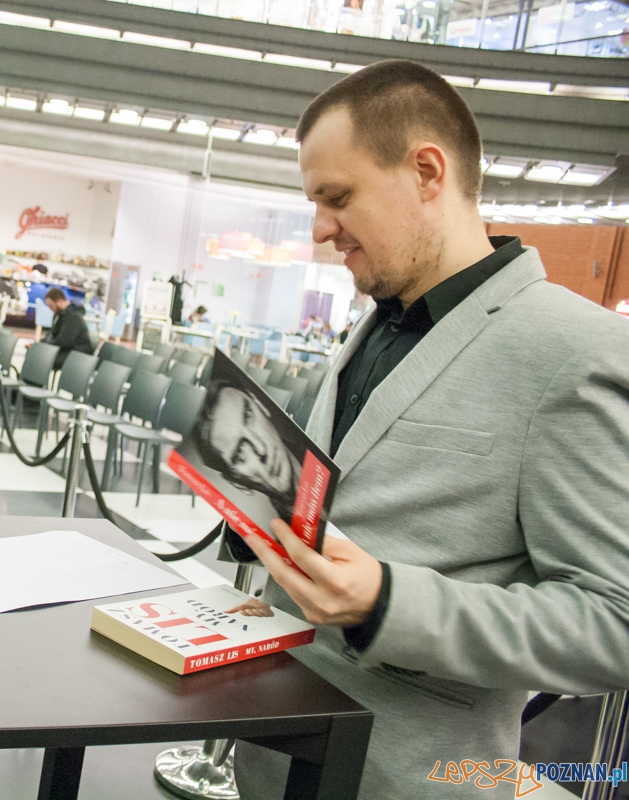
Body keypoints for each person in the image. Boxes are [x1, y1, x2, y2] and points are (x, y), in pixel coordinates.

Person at [228, 60, 629, 798]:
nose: (320, 230)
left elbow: (615, 623)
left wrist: (388, 604)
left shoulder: (576, 353)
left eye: (337, 197)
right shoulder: (376, 324)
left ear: (425, 171)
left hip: (407, 773)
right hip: (275, 755)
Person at [196, 383, 303, 523]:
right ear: (239, 484)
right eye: (239, 454)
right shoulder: (266, 540)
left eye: (248, 416)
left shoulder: (329, 448)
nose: (261, 449)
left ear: (260, 405)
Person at [43, 286, 94, 368]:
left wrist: (45, 347)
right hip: (68, 351)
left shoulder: (73, 317)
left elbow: (64, 341)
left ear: (59, 302)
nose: (50, 309)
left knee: (43, 359)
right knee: (37, 353)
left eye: (51, 306)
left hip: (76, 355)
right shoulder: (61, 315)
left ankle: (33, 380)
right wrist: (41, 343)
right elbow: (54, 334)